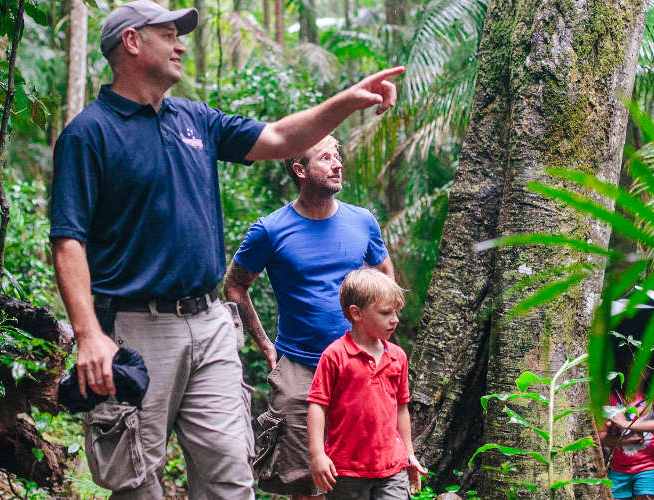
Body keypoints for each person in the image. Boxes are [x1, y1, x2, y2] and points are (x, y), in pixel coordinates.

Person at [49, 0, 404, 497]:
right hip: (135, 327)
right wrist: (88, 335)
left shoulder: (196, 120)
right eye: (168, 34)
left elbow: (280, 136)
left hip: (211, 323)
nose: (179, 45)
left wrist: (347, 100)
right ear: (131, 41)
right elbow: (68, 241)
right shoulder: (89, 134)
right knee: (136, 481)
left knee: (231, 479)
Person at [224, 134, 393, 499]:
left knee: (360, 473)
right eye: (326, 158)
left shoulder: (362, 221)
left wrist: (381, 340)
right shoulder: (270, 229)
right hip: (300, 368)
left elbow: (384, 275)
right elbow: (235, 285)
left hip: (358, 365)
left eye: (338, 155)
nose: (338, 164)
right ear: (300, 170)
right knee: (302, 480)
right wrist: (266, 345)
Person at [306, 268, 425, 499]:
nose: (395, 320)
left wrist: (409, 454)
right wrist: (317, 454)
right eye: (385, 313)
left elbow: (402, 407)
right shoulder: (335, 355)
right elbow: (317, 405)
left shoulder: (398, 356)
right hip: (346, 470)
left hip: (392, 467)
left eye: (396, 312)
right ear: (356, 314)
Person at [600, 379, 654, 500]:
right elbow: (600, 437)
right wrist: (628, 439)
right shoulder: (611, 398)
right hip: (618, 468)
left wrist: (624, 424)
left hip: (649, 467)